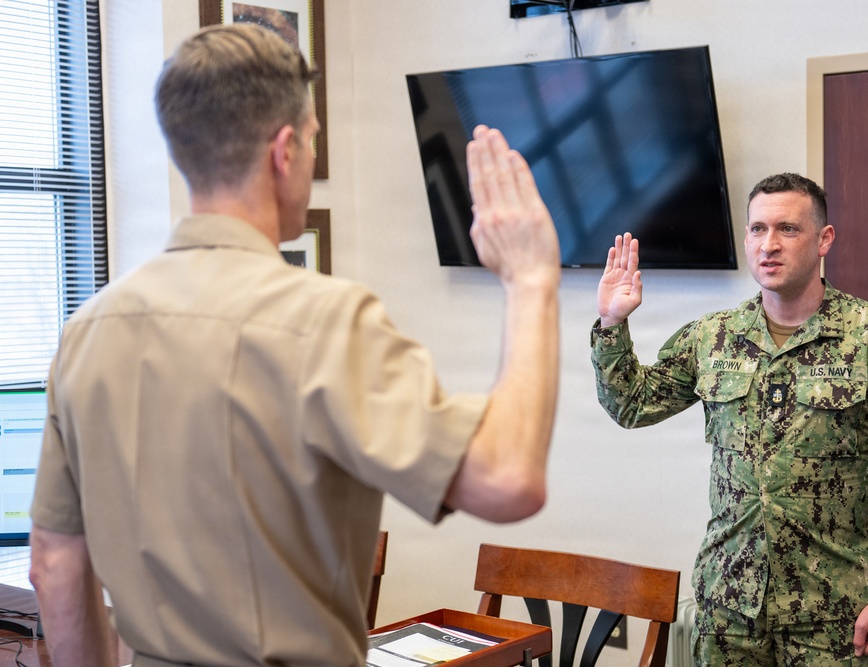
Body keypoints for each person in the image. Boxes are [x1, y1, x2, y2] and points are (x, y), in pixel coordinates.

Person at [29, 24, 561, 667]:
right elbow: (508, 479)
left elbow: (55, 565)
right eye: (312, 140)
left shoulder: (86, 332)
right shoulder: (327, 321)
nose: (310, 157)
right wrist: (531, 281)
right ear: (284, 152)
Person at [590, 173, 868, 666]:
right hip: (728, 613)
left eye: (788, 229)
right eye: (758, 229)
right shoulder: (712, 338)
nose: (769, 244)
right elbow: (632, 405)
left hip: (834, 617)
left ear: (824, 239)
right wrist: (612, 323)